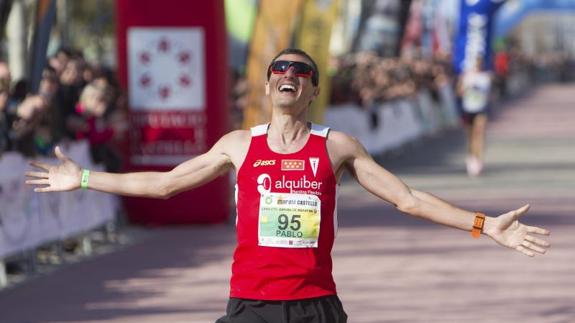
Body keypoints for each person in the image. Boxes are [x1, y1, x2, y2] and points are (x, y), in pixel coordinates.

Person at [26, 48, 550, 323]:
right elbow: (166, 185)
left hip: (315, 305)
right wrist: (85, 178)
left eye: (300, 70)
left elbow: (406, 199)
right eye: (280, 67)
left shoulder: (336, 146)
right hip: (250, 305)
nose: (288, 73)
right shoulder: (238, 144)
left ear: (312, 89)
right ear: (270, 82)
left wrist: (484, 225)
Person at [457, 56, 493, 177]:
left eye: (479, 64)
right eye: (475, 64)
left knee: (480, 134)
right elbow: (459, 93)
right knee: (471, 136)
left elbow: (489, 94)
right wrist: (466, 86)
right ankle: (471, 158)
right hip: (468, 108)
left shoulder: (485, 77)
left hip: (481, 109)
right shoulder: (466, 76)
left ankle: (478, 160)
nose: (477, 66)